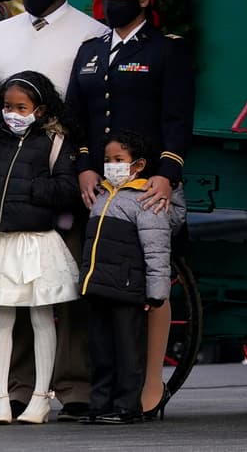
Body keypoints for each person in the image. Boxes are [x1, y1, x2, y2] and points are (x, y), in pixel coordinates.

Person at [0, 0, 107, 421]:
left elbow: (95, 109)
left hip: (60, 173)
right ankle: (8, 389)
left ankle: (73, 387)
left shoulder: (93, 35)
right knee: (6, 293)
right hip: (7, 177)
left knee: (64, 287)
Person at [66, 0, 194, 419]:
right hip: (100, 188)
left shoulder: (167, 51)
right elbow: (76, 117)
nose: (112, 2)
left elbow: (178, 121)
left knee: (148, 282)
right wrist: (82, 165)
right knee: (102, 286)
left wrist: (167, 172)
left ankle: (148, 384)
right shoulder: (89, 51)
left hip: (147, 186)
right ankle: (99, 392)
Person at [0, 72, 81, 425]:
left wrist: (28, 191)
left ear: (39, 110)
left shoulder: (55, 141)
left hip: (36, 241)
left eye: (21, 107)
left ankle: (41, 398)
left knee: (42, 317)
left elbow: (67, 187)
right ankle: (1, 398)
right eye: (8, 106)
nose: (12, 113)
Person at [77, 129, 171, 424]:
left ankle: (127, 406)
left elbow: (157, 251)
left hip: (127, 289)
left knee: (129, 351)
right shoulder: (102, 196)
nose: (111, 165)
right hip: (99, 287)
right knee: (100, 351)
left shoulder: (145, 201)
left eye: (119, 159)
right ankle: (100, 404)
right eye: (107, 160)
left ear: (138, 165)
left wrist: (156, 293)